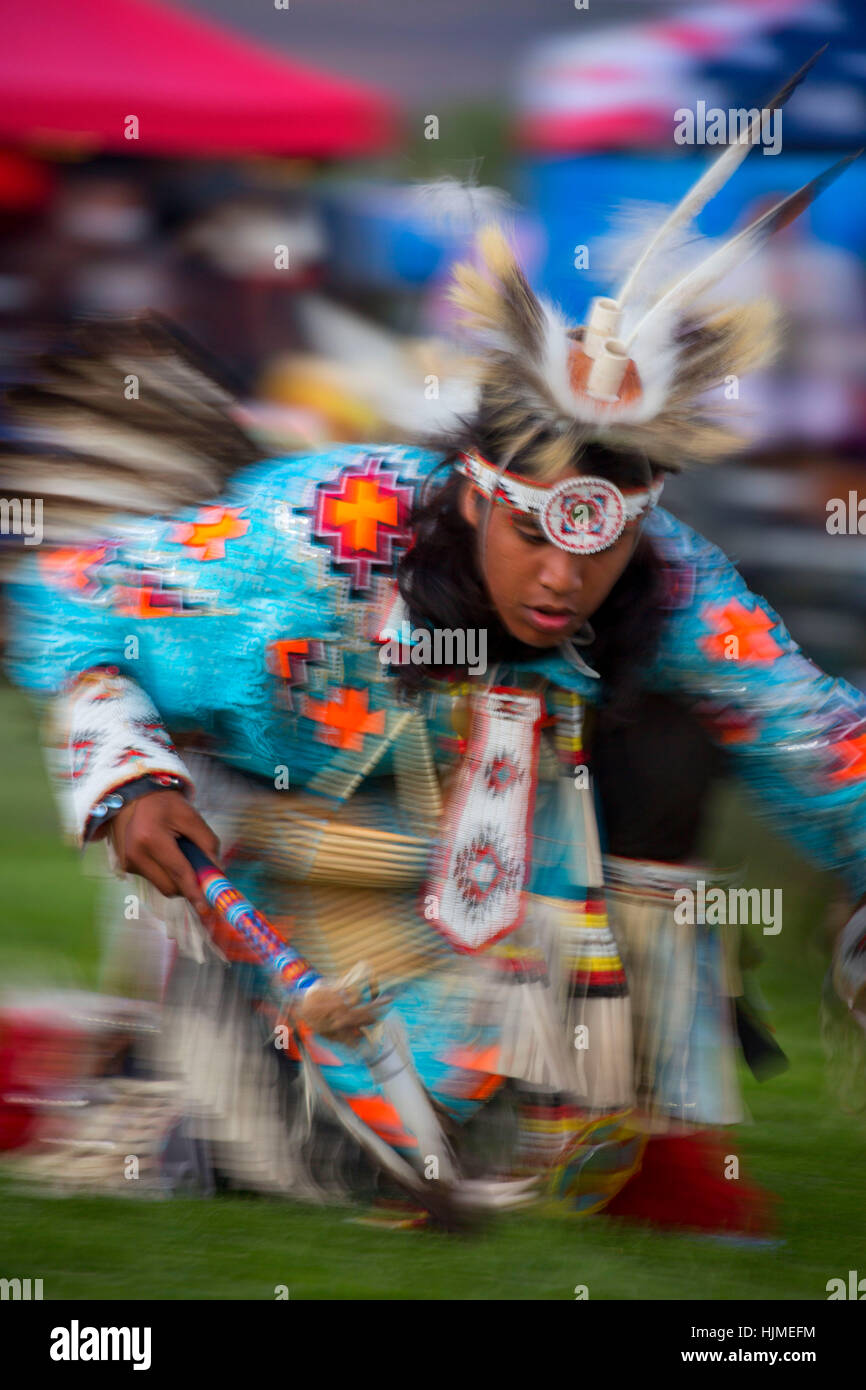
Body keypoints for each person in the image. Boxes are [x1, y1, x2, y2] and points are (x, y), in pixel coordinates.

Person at [4, 57, 866, 1226]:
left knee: (670, 724)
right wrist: (130, 775)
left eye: (599, 544)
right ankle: (125, 1074)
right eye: (529, 535)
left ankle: (634, 1126)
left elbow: (816, 740)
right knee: (272, 1157)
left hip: (484, 890)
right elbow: (65, 596)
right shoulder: (324, 532)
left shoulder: (666, 584)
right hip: (266, 849)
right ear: (471, 494)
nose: (563, 578)